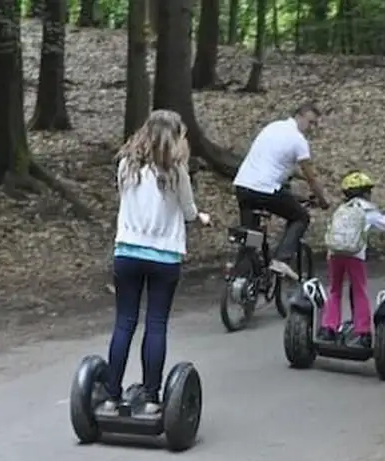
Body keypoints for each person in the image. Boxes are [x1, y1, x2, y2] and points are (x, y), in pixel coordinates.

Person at [103, 109, 210, 415]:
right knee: (156, 324)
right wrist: (200, 218)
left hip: (127, 253)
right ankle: (151, 397)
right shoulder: (177, 174)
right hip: (164, 257)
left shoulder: (126, 166)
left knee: (124, 323)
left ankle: (112, 395)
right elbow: (188, 212)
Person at [232, 102, 330, 280]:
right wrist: (322, 200)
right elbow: (311, 178)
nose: (311, 128)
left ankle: (243, 273)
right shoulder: (298, 140)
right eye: (310, 122)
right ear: (299, 116)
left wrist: (298, 177)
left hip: (243, 186)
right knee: (300, 217)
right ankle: (281, 259)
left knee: (252, 234)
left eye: (315, 124)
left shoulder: (273, 127)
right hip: (265, 190)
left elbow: (277, 162)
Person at [318, 170, 385, 349]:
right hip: (355, 256)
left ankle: (328, 328)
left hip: (334, 254)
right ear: (366, 192)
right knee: (360, 290)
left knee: (335, 290)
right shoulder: (367, 210)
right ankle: (362, 332)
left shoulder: (341, 209)